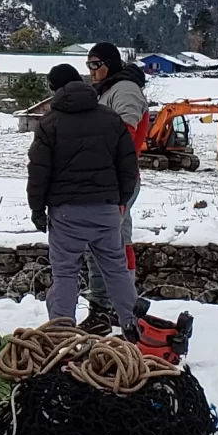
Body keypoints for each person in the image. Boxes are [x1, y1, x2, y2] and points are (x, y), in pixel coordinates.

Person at [28, 63, 142, 339]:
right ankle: (135, 326)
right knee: (116, 270)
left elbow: (39, 171)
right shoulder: (110, 119)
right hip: (106, 209)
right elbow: (128, 165)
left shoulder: (50, 123)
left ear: (55, 90)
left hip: (66, 212)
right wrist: (121, 200)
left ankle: (61, 334)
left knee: (66, 274)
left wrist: (37, 209)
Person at [78, 43, 151, 334]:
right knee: (118, 242)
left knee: (102, 244)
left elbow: (124, 136)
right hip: (113, 178)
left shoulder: (124, 91)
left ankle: (105, 309)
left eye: (95, 65)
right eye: (88, 66)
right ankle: (121, 308)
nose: (91, 71)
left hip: (116, 180)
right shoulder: (110, 90)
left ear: (109, 63)